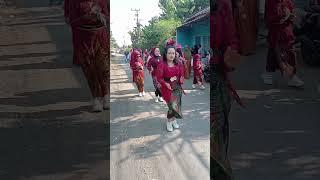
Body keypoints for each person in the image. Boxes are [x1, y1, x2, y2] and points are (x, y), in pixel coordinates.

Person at [210, 0, 243, 179]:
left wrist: (231, 52)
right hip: (206, 86)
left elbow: (233, 40)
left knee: (216, 143)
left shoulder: (223, 5)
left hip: (217, 84)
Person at [64, 0, 109, 112]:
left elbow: (108, 17)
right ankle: (96, 99)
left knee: (103, 69)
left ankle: (106, 95)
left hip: (100, 38)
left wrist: (101, 16)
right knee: (90, 70)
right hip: (82, 39)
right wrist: (90, 15)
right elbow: (70, 20)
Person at [262, 0, 304, 87]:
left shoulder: (287, 1)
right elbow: (270, 18)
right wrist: (283, 16)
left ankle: (289, 76)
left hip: (287, 32)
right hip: (276, 32)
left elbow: (291, 12)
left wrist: (291, 16)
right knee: (278, 53)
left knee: (287, 53)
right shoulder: (271, 2)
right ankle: (289, 77)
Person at [157, 39, 185, 132]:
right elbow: (159, 78)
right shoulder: (162, 65)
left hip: (177, 87)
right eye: (169, 53)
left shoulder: (178, 63)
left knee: (176, 105)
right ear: (165, 54)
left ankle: (174, 120)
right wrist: (165, 83)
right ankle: (169, 122)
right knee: (171, 107)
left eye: (173, 53)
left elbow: (181, 75)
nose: (171, 55)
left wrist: (181, 80)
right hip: (167, 88)